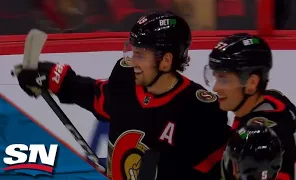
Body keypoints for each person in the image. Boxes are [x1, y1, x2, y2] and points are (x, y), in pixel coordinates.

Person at [15, 11, 230, 180]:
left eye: (140, 54)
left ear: (165, 61)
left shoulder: (198, 109)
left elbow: (224, 170)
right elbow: (98, 97)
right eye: (132, 51)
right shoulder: (126, 80)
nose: (132, 61)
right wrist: (55, 79)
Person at [203, 33, 296, 180]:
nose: (215, 87)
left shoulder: (257, 139)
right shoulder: (277, 100)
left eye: (224, 79)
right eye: (215, 77)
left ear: (252, 83)